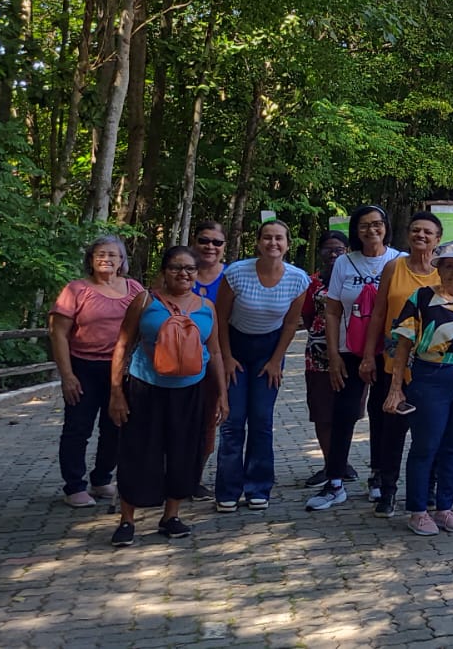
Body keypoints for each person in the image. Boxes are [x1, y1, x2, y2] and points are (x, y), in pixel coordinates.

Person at [106, 246, 229, 547]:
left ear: (197, 274)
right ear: (163, 271)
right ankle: (127, 519)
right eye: (176, 267)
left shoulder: (206, 306)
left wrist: (223, 394)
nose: (183, 274)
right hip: (145, 386)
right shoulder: (145, 301)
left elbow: (213, 351)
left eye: (189, 269)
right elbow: (123, 344)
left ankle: (171, 515)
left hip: (190, 390)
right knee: (138, 451)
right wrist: (116, 393)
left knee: (183, 451)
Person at [382, 243, 453, 536]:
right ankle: (418, 511)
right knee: (425, 445)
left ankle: (444, 508)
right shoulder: (421, 297)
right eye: (450, 266)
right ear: (439, 267)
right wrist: (396, 388)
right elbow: (403, 344)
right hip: (431, 376)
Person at [310, 205, 404, 515]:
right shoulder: (345, 263)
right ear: (356, 229)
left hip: (387, 353)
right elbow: (333, 310)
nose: (371, 230)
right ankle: (334, 480)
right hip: (350, 350)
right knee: (344, 414)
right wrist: (334, 355)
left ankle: (378, 475)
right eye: (364, 225)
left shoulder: (399, 261)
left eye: (377, 224)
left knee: (383, 416)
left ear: (386, 227)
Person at [213, 220, 310, 512]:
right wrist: (227, 358)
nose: (273, 243)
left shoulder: (297, 278)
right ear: (257, 243)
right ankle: (228, 490)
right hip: (235, 346)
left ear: (287, 244)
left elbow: (292, 323)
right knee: (232, 421)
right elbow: (220, 318)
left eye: (279, 238)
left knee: (261, 420)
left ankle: (258, 487)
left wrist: (276, 360)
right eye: (266, 238)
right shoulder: (236, 273)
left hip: (269, 350)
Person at [50, 236, 146, 508]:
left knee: (116, 425)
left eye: (113, 255)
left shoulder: (134, 289)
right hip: (84, 367)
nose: (106, 259)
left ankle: (102, 478)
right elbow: (58, 333)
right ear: (91, 260)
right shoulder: (76, 290)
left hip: (123, 369)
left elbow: (147, 325)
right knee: (78, 428)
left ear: (122, 261)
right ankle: (74, 485)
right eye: (100, 254)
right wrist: (67, 375)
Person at [358, 211, 443, 516]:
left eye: (428, 233)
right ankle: (387, 489)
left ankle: (427, 489)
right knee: (390, 430)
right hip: (393, 363)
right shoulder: (394, 267)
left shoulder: (443, 271)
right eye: (416, 230)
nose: (421, 236)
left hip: (431, 365)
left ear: (438, 239)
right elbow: (378, 314)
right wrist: (369, 355)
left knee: (429, 432)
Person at [300, 231, 355, 487]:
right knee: (322, 411)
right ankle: (328, 463)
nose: (333, 255)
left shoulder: (354, 279)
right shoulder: (311, 282)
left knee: (347, 409)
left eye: (339, 250)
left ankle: (341, 460)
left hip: (350, 351)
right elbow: (308, 315)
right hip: (319, 355)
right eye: (328, 249)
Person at [189, 220, 230, 501]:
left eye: (217, 242)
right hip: (176, 360)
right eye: (205, 240)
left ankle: (194, 479)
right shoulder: (179, 271)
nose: (210, 247)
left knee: (207, 421)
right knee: (175, 419)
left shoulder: (231, 276)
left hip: (215, 359)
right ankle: (167, 476)